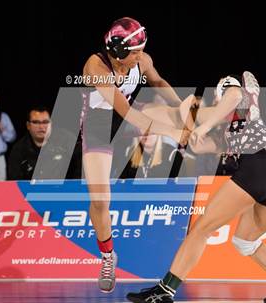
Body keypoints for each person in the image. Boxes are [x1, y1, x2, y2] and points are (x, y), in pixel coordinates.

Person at [126, 72, 266, 303]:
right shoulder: (229, 131)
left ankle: (164, 291)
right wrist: (186, 126)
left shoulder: (240, 105)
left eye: (215, 100)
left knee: (201, 229)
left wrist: (204, 124)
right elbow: (199, 147)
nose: (214, 104)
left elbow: (233, 94)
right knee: (246, 241)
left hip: (259, 168)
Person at [81, 17, 190, 293]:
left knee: (165, 112)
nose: (140, 56)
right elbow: (127, 115)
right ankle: (108, 256)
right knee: (100, 200)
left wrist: (182, 109)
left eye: (141, 50)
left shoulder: (141, 60)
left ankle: (190, 148)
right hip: (100, 127)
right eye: (136, 52)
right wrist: (173, 132)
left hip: (132, 116)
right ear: (117, 52)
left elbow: (158, 81)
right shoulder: (95, 67)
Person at [8, 105, 82, 180]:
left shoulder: (67, 140)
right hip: (33, 190)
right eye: (36, 122)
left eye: (45, 122)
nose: (41, 127)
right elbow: (14, 180)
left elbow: (82, 167)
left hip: (65, 189)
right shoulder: (19, 149)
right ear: (28, 125)